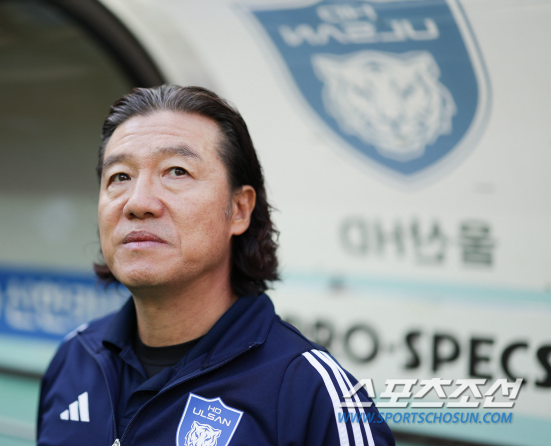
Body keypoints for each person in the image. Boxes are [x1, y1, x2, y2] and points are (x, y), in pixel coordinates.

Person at [37, 85, 394, 446]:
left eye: (176, 171)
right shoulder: (76, 357)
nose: (138, 202)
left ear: (238, 210)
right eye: (120, 177)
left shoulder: (311, 393)